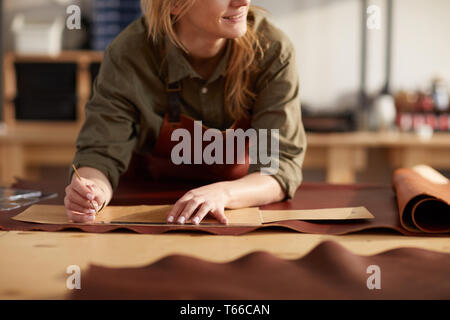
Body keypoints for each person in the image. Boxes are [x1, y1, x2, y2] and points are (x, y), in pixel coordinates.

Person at [64, 0, 307, 225]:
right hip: (146, 211)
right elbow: (99, 156)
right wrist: (92, 192)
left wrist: (223, 193)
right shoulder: (129, 54)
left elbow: (276, 168)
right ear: (176, 4)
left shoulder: (271, 49)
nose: (243, 1)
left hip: (236, 211)